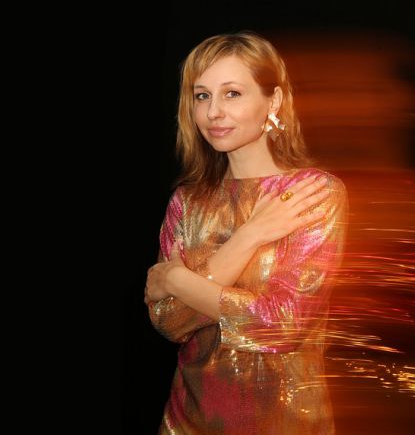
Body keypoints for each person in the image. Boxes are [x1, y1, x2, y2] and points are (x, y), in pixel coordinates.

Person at [145, 31, 349, 435]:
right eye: (202, 96)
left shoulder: (313, 194)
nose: (213, 112)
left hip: (284, 422)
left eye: (232, 94)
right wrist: (249, 236)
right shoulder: (187, 201)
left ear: (273, 101)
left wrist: (177, 280)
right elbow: (168, 323)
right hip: (188, 421)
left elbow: (282, 326)